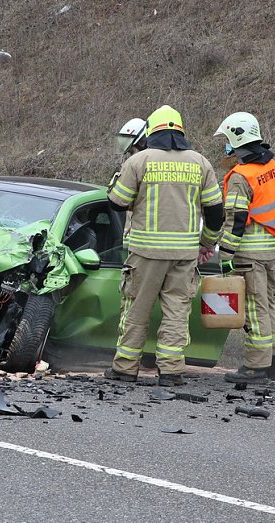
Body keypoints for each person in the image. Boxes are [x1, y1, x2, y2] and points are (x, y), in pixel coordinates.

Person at [104, 105, 224, 386]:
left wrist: (119, 179)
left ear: (151, 132)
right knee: (176, 313)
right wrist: (206, 243)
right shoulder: (200, 163)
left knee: (136, 310)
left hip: (145, 253)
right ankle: (171, 371)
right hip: (184, 255)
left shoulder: (139, 161)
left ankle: (125, 368)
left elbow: (117, 202)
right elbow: (216, 211)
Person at [214, 111, 275, 383]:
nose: (226, 146)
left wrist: (226, 254)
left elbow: (236, 219)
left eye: (227, 140)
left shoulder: (240, 176)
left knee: (254, 310)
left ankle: (256, 366)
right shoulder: (272, 167)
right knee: (267, 305)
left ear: (237, 139)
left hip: (249, 254)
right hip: (269, 250)